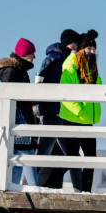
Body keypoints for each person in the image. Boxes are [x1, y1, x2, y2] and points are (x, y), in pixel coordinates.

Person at [40, 30, 100, 192]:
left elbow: (99, 88)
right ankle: (41, 184)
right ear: (80, 49)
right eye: (88, 49)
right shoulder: (70, 64)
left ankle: (87, 192)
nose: (92, 52)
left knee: (90, 159)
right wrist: (80, 111)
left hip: (87, 120)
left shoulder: (91, 66)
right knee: (69, 160)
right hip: (73, 119)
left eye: (94, 49)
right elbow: (66, 94)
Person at [36, 29, 79, 190]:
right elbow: (47, 85)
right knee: (45, 153)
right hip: (52, 113)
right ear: (71, 43)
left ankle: (53, 187)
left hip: (58, 112)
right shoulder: (55, 59)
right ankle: (34, 185)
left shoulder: (62, 58)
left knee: (60, 154)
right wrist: (54, 108)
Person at [0, 38, 40, 187]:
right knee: (27, 157)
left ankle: (12, 188)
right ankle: (36, 190)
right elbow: (8, 97)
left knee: (17, 160)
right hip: (18, 121)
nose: (34, 57)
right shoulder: (13, 71)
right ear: (24, 54)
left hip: (21, 119)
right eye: (32, 53)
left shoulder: (20, 70)